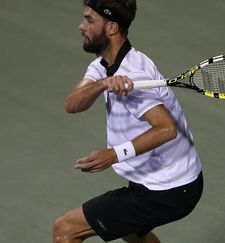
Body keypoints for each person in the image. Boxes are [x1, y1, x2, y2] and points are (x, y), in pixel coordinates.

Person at [52, 0, 203, 242]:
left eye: (90, 20)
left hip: (167, 189)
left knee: (65, 230)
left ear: (112, 27)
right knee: (132, 234)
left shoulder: (134, 73)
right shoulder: (104, 66)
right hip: (170, 181)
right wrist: (101, 84)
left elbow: (166, 129)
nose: (81, 26)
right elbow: (72, 104)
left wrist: (112, 155)